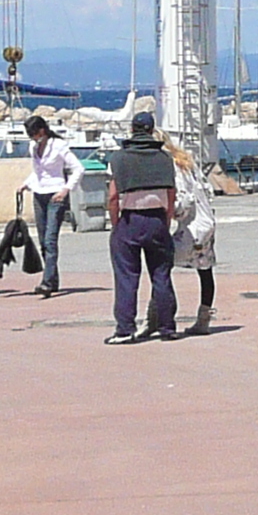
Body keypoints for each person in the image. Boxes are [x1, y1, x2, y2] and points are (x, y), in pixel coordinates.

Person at [103, 109, 181, 343]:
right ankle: (167, 328)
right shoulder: (165, 158)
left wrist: (116, 223)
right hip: (157, 219)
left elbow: (113, 197)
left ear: (132, 130)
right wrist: (166, 221)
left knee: (127, 276)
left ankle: (125, 329)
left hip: (129, 219)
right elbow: (171, 193)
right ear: (152, 130)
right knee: (161, 275)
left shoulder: (119, 158)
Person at [25, 114, 83, 298]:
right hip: (39, 193)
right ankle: (53, 279)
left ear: (42, 130)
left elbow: (78, 168)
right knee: (43, 240)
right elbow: (39, 172)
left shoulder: (58, 146)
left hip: (56, 195)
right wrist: (26, 184)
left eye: (34, 133)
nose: (33, 138)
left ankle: (47, 282)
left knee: (50, 239)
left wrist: (66, 190)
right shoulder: (33, 147)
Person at [169, 141, 218, 333]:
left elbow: (184, 200)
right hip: (207, 222)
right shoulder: (189, 163)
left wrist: (172, 212)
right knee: (205, 270)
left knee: (162, 267)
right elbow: (209, 190)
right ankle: (203, 318)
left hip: (192, 227)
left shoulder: (174, 167)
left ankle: (158, 316)